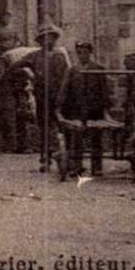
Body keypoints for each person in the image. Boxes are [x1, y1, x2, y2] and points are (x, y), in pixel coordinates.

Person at [17, 23, 71, 171]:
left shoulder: (61, 56)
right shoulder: (34, 56)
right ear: (40, 41)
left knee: (63, 126)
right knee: (44, 128)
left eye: (52, 38)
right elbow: (16, 65)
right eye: (45, 38)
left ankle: (67, 157)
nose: (49, 41)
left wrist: (65, 94)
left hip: (60, 97)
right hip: (42, 97)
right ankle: (45, 158)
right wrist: (27, 72)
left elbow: (69, 75)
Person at [61, 40, 109, 176]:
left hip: (95, 110)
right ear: (77, 54)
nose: (83, 55)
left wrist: (105, 110)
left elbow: (104, 91)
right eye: (80, 53)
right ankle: (77, 166)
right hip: (77, 111)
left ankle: (97, 167)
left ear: (90, 53)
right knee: (77, 138)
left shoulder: (98, 69)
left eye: (86, 52)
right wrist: (59, 109)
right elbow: (65, 90)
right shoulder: (72, 71)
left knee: (96, 138)